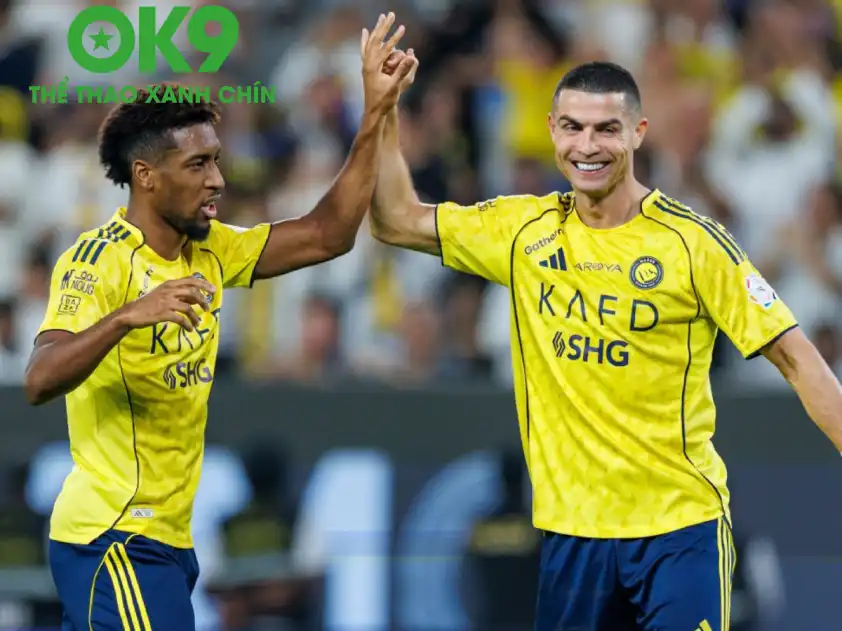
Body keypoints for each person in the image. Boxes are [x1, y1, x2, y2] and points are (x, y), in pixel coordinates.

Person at [371, 59, 842, 631]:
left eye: (606, 129)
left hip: (679, 529)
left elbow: (796, 357)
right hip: (573, 535)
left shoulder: (693, 245)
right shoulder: (522, 232)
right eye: (572, 127)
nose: (587, 146)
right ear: (552, 130)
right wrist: (383, 109)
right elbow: (396, 220)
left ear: (638, 133)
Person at [23, 13, 417, 631]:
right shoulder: (97, 261)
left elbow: (328, 234)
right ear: (146, 177)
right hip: (114, 537)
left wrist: (374, 113)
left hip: (167, 541)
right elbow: (39, 378)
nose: (218, 180)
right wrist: (127, 317)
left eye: (216, 161)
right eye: (198, 165)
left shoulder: (212, 249)